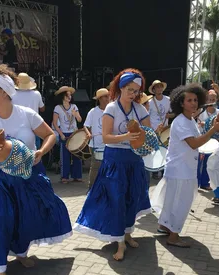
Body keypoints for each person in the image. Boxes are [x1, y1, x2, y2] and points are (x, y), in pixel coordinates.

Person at [0, 65, 72, 275]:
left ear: (3, 90)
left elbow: (50, 135)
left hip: (25, 176)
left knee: (24, 217)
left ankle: (20, 252)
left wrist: (41, 152)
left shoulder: (26, 115)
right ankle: (0, 269)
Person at [74, 69, 152, 261]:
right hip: (115, 159)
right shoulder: (111, 108)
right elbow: (106, 137)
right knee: (116, 199)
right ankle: (120, 242)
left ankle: (127, 234)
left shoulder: (140, 109)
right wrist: (127, 136)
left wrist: (146, 137)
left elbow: (149, 135)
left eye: (136, 90)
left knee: (131, 198)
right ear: (120, 88)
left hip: (134, 160)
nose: (133, 94)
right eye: (129, 89)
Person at [151, 83, 219, 248]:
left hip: (181, 169)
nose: (193, 103)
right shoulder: (181, 121)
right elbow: (193, 143)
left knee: (171, 201)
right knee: (181, 203)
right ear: (181, 103)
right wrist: (213, 130)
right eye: (189, 100)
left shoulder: (188, 119)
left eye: (195, 100)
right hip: (181, 170)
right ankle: (174, 236)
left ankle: (164, 227)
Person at [52, 86, 83, 183]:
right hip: (64, 133)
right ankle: (64, 177)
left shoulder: (74, 106)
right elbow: (54, 123)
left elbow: (79, 120)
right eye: (67, 95)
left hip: (74, 133)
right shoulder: (57, 108)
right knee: (64, 156)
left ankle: (77, 176)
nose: (69, 97)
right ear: (63, 96)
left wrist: (76, 114)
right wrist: (60, 134)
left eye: (70, 95)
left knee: (77, 156)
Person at [148, 80, 174, 179]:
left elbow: (174, 113)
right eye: (156, 87)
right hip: (154, 129)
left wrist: (169, 115)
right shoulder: (150, 102)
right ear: (153, 90)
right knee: (154, 150)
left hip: (164, 129)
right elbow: (147, 116)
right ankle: (155, 171)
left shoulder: (168, 100)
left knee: (165, 149)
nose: (159, 89)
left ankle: (164, 171)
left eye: (160, 87)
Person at [84, 88, 109, 189]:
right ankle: (91, 188)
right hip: (95, 144)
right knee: (95, 167)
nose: (108, 98)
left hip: (109, 143)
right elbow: (86, 125)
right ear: (100, 98)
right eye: (106, 96)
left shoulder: (111, 110)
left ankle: (104, 187)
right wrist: (88, 133)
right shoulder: (93, 112)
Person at [197, 89, 219, 190]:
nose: (211, 101)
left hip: (214, 141)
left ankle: (205, 183)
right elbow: (197, 125)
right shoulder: (201, 112)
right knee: (199, 162)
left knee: (209, 162)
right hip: (202, 140)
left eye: (213, 99)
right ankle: (196, 183)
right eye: (209, 99)